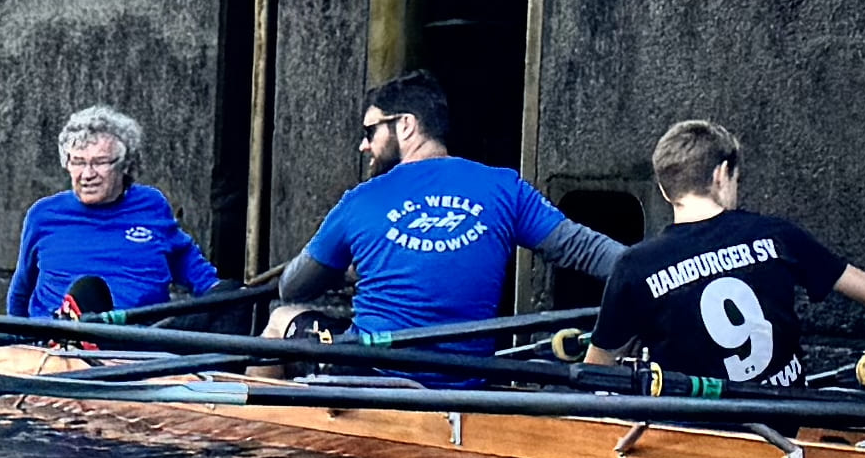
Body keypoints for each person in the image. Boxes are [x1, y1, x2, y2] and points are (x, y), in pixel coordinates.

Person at [586, 117, 865, 389]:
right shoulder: (777, 236)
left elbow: (596, 372)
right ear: (722, 174)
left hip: (696, 436)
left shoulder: (635, 267)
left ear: (663, 189)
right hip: (784, 421)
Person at [265, 73, 619, 349]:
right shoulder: (504, 187)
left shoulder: (360, 200)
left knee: (281, 317)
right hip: (466, 382)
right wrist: (661, 271)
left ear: (405, 124)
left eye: (370, 130)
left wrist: (343, 272)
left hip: (370, 373)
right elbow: (588, 251)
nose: (364, 144)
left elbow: (292, 287)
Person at [2, 106, 221, 322]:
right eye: (77, 162)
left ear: (124, 165)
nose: (87, 174)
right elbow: (21, 290)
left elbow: (188, 262)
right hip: (60, 342)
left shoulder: (151, 205)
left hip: (142, 340)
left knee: (230, 303)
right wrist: (16, 343)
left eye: (100, 162)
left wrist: (218, 292)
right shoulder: (44, 215)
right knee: (88, 292)